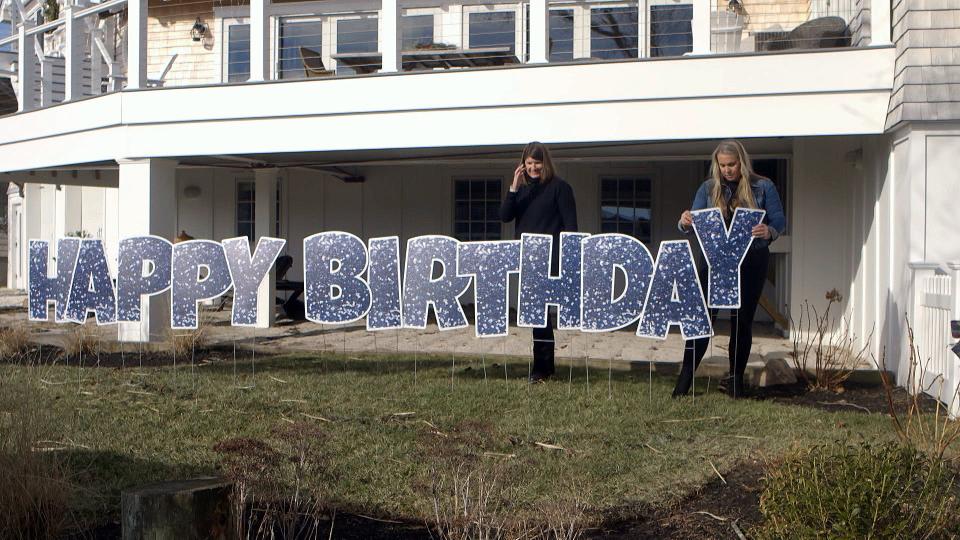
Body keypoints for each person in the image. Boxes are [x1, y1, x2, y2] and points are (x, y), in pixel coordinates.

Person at [673, 140, 786, 398]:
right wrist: (685, 221)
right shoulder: (709, 188)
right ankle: (683, 383)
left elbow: (779, 219)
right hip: (714, 262)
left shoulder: (763, 186)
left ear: (742, 162)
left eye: (732, 164)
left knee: (742, 320)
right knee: (702, 320)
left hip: (751, 260)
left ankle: (736, 383)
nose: (727, 170)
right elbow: (692, 221)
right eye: (722, 165)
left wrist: (769, 230)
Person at [500, 142, 578, 383]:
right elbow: (504, 216)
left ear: (545, 163)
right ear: (523, 165)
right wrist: (513, 188)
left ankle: (543, 368)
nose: (533, 168)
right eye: (529, 163)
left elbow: (571, 227)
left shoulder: (560, 188)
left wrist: (568, 261)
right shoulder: (522, 192)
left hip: (551, 260)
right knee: (536, 317)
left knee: (543, 316)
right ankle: (543, 367)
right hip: (528, 261)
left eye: (537, 163)